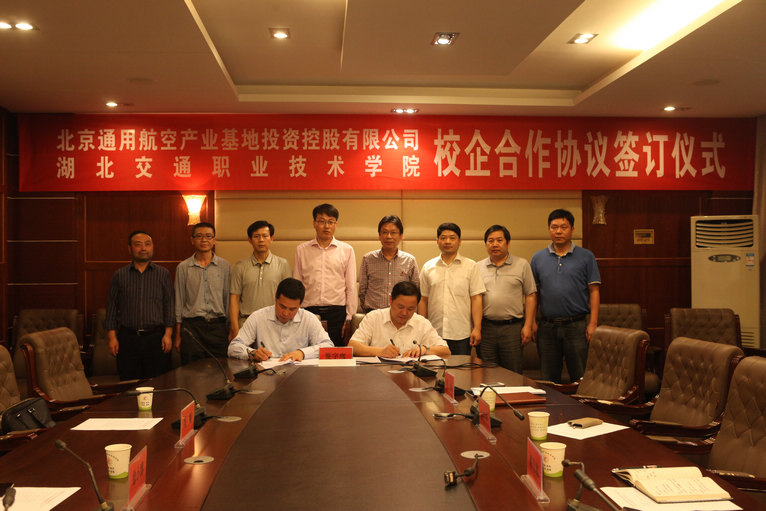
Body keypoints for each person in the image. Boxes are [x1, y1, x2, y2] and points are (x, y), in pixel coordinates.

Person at [530, 209, 601, 383]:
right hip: (547, 327)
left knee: (580, 377)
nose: (558, 231)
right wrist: (531, 322)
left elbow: (594, 291)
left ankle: (582, 403)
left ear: (572, 229)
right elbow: (533, 294)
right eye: (554, 227)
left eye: (563, 227)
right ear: (549, 229)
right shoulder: (538, 258)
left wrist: (592, 324)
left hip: (576, 326)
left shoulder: (586, 256)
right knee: (549, 379)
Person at [104, 230, 174, 380]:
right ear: (129, 248)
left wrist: (168, 335)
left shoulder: (163, 274)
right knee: (129, 383)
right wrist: (112, 338)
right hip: (127, 338)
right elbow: (111, 308)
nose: (143, 248)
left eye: (147, 244)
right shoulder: (119, 275)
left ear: (152, 247)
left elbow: (169, 305)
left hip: (156, 338)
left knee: (158, 383)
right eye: (138, 244)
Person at [293, 203, 357, 346]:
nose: (326, 226)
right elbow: (297, 284)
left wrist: (349, 318)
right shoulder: (301, 250)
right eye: (322, 221)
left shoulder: (346, 250)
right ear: (314, 223)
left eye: (330, 222)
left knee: (335, 354)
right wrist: (296, 313)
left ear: (336, 224)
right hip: (308, 312)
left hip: (337, 313)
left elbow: (351, 286)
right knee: (309, 353)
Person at [418, 222, 485, 356]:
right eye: (443, 238)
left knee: (461, 368)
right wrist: (420, 329)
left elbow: (476, 298)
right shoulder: (428, 267)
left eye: (452, 238)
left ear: (459, 241)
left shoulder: (471, 266)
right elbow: (423, 300)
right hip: (433, 332)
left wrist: (477, 328)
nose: (447, 241)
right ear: (437, 241)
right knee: (434, 367)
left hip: (461, 333)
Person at [228, 278, 333, 361]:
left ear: (300, 304)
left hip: (299, 376)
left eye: (292, 309)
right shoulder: (258, 317)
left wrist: (302, 353)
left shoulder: (309, 319)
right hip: (266, 375)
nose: (285, 313)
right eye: (282, 306)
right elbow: (233, 347)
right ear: (275, 297)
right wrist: (252, 353)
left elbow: (328, 346)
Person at [478, 225, 537, 373]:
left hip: (512, 328)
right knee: (487, 373)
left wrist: (528, 325)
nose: (495, 244)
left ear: (508, 243)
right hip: (486, 328)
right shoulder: (478, 267)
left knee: (513, 373)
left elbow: (530, 295)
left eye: (499, 240)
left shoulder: (522, 264)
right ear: (486, 244)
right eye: (490, 241)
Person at [174, 222, 231, 364]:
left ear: (214, 240)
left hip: (218, 327)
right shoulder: (183, 267)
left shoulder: (225, 266)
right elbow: (179, 301)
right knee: (191, 370)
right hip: (192, 328)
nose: (204, 240)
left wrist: (229, 329)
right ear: (192, 240)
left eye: (208, 236)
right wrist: (178, 334)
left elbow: (228, 300)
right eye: (199, 236)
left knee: (220, 369)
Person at [349, 281, 450, 358]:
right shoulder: (374, 318)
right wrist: (380, 352)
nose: (404, 313)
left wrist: (424, 350)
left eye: (410, 309)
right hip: (377, 375)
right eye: (400, 307)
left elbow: (446, 351)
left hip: (410, 376)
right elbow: (352, 346)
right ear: (391, 300)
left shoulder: (422, 323)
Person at [229, 220, 291, 340]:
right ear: (250, 240)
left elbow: (288, 298)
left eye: (265, 236)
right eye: (256, 236)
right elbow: (234, 299)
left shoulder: (283, 264)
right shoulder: (240, 266)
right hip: (246, 323)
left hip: (275, 324)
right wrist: (234, 328)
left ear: (271, 239)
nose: (261, 240)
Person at [358, 215, 419, 312]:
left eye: (393, 232)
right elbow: (362, 290)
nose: (388, 236)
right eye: (385, 232)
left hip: (401, 313)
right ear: (379, 235)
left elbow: (415, 290)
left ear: (401, 236)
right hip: (373, 312)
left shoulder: (410, 260)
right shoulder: (368, 259)